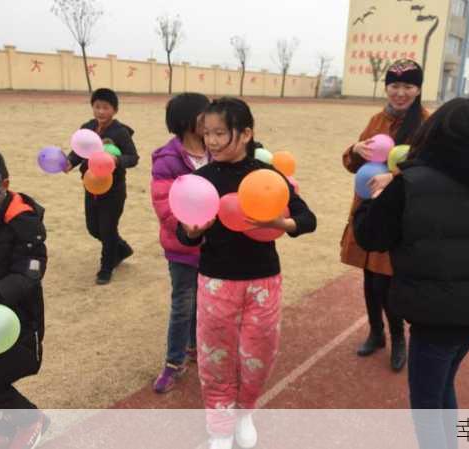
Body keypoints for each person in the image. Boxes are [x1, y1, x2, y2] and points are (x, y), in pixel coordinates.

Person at [354, 98, 469, 449]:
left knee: (427, 404)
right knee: (443, 385)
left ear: (435, 133)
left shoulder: (409, 184)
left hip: (435, 318)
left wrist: (373, 199)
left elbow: (371, 236)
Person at [177, 98, 316, 449]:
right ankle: (220, 427)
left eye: (220, 133)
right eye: (206, 134)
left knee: (258, 354)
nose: (211, 141)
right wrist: (193, 231)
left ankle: (245, 413)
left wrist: (280, 223)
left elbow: (307, 219)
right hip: (216, 281)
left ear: (246, 133)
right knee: (215, 357)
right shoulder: (201, 179)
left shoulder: (266, 177)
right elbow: (184, 233)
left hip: (263, 281)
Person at [340, 59, 428, 371]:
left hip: (399, 214)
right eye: (394, 85)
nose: (400, 93)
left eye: (408, 86)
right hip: (369, 210)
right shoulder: (376, 120)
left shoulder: (426, 124)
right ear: (386, 87)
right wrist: (355, 149)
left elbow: (430, 170)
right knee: (368, 275)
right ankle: (376, 334)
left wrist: (397, 175)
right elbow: (353, 164)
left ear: (418, 89)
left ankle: (397, 338)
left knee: (387, 281)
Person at [0, 145, 49, 449]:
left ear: (4, 186)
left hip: (15, 323)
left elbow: (30, 273)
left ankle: (31, 419)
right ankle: (6, 428)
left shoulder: (24, 222)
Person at [150, 93, 211, 393]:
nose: (212, 120)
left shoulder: (218, 150)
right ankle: (174, 363)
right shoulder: (167, 159)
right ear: (188, 121)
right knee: (183, 304)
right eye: (205, 115)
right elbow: (163, 203)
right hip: (183, 246)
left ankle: (193, 346)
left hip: (214, 245)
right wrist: (186, 229)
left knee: (204, 301)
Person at [65, 88, 139, 285]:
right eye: (97, 107)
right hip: (91, 185)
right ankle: (121, 248)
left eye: (105, 108)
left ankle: (106, 268)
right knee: (93, 228)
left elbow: (133, 158)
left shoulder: (120, 132)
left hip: (113, 189)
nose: (100, 112)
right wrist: (69, 163)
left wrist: (117, 159)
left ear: (114, 110)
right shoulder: (87, 128)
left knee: (107, 229)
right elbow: (78, 152)